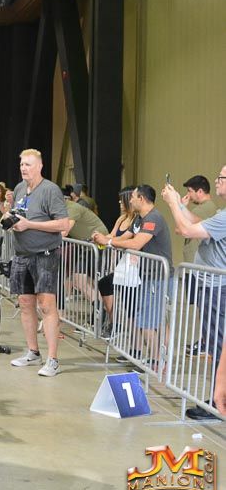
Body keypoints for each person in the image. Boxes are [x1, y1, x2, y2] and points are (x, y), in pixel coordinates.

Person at [161, 166, 226, 418]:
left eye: (221, 178)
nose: (217, 181)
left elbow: (186, 230)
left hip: (218, 288)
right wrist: (179, 204)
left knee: (218, 344)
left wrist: (172, 204)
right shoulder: (220, 213)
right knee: (214, 342)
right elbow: (196, 223)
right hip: (213, 286)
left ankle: (219, 402)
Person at [5, 149, 70, 377]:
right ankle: (33, 352)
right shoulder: (20, 188)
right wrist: (9, 218)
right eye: (22, 164)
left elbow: (63, 224)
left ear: (39, 166)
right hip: (21, 255)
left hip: (45, 255)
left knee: (46, 305)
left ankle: (53, 359)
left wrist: (30, 225)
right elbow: (17, 214)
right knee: (25, 303)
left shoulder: (50, 190)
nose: (24, 168)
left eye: (28, 164)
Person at [92, 185, 173, 366]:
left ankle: (156, 361)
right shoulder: (140, 218)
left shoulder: (153, 218)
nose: (130, 200)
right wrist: (105, 240)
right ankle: (156, 360)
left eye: (133, 197)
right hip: (145, 276)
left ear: (141, 199)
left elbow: (136, 243)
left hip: (157, 277)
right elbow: (126, 238)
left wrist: (109, 242)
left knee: (148, 322)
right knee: (148, 319)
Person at [93, 187, 137, 339]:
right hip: (119, 264)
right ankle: (114, 322)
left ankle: (133, 334)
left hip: (131, 265)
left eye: (122, 200)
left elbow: (124, 238)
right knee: (105, 283)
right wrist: (100, 237)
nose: (120, 203)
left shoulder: (136, 220)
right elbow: (111, 235)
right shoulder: (121, 219)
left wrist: (106, 240)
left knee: (129, 301)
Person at [180, 175, 218, 264]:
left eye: (190, 191)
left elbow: (179, 229)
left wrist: (181, 207)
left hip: (194, 263)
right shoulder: (212, 207)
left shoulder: (200, 210)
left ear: (200, 191)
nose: (188, 195)